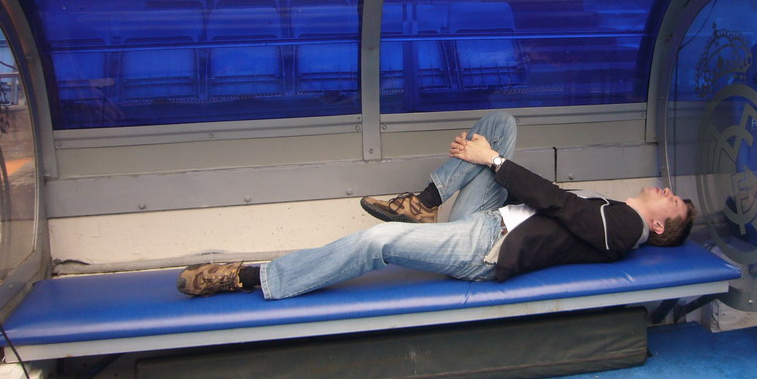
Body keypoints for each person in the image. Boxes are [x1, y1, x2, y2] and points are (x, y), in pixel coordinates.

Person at [177, 111, 696, 298]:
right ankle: (423, 202)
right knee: (502, 125)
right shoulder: (616, 213)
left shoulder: (626, 230)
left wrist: (491, 163)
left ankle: (251, 277)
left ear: (658, 225)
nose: (669, 191)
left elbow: (560, 205)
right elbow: (550, 209)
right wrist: (490, 159)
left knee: (377, 242)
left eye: (673, 204)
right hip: (488, 222)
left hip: (485, 249)